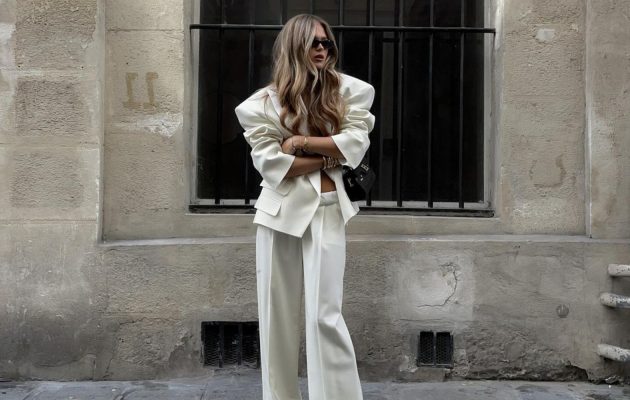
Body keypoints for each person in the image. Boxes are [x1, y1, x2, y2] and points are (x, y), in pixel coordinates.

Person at [234, 13, 375, 400]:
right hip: (278, 214)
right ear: (294, 46)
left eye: (326, 42)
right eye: (314, 42)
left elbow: (354, 145)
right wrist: (329, 154)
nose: (322, 49)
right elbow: (273, 166)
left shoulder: (351, 91)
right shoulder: (259, 105)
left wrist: (299, 143)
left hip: (328, 208)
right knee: (275, 318)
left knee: (324, 315)